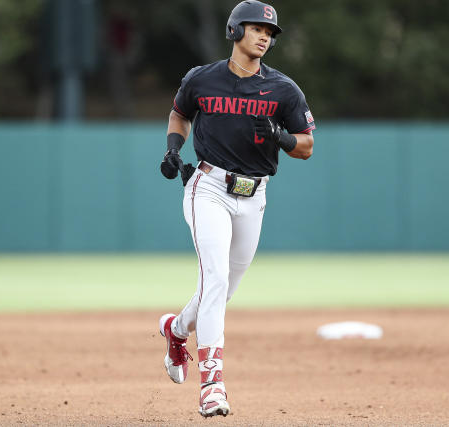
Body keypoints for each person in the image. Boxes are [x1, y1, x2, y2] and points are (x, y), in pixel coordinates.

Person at [158, 0, 315, 418]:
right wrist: (174, 149)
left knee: (223, 289)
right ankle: (212, 384)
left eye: (270, 32)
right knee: (215, 278)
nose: (265, 36)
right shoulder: (202, 79)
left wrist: (281, 138)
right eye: (256, 28)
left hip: (254, 195)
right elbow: (179, 113)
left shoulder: (284, 89)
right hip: (207, 187)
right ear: (234, 31)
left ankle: (176, 330)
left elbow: (308, 147)